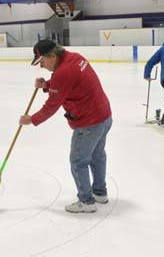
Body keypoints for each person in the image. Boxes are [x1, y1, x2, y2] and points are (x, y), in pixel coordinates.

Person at [20, 40, 112, 213]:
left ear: (52, 56)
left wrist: (31, 119)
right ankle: (100, 193)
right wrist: (47, 85)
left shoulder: (62, 72)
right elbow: (69, 84)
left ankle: (86, 201)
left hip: (89, 123)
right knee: (97, 156)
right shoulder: (74, 58)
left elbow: (51, 106)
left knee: (78, 161)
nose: (42, 66)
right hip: (104, 116)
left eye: (42, 61)